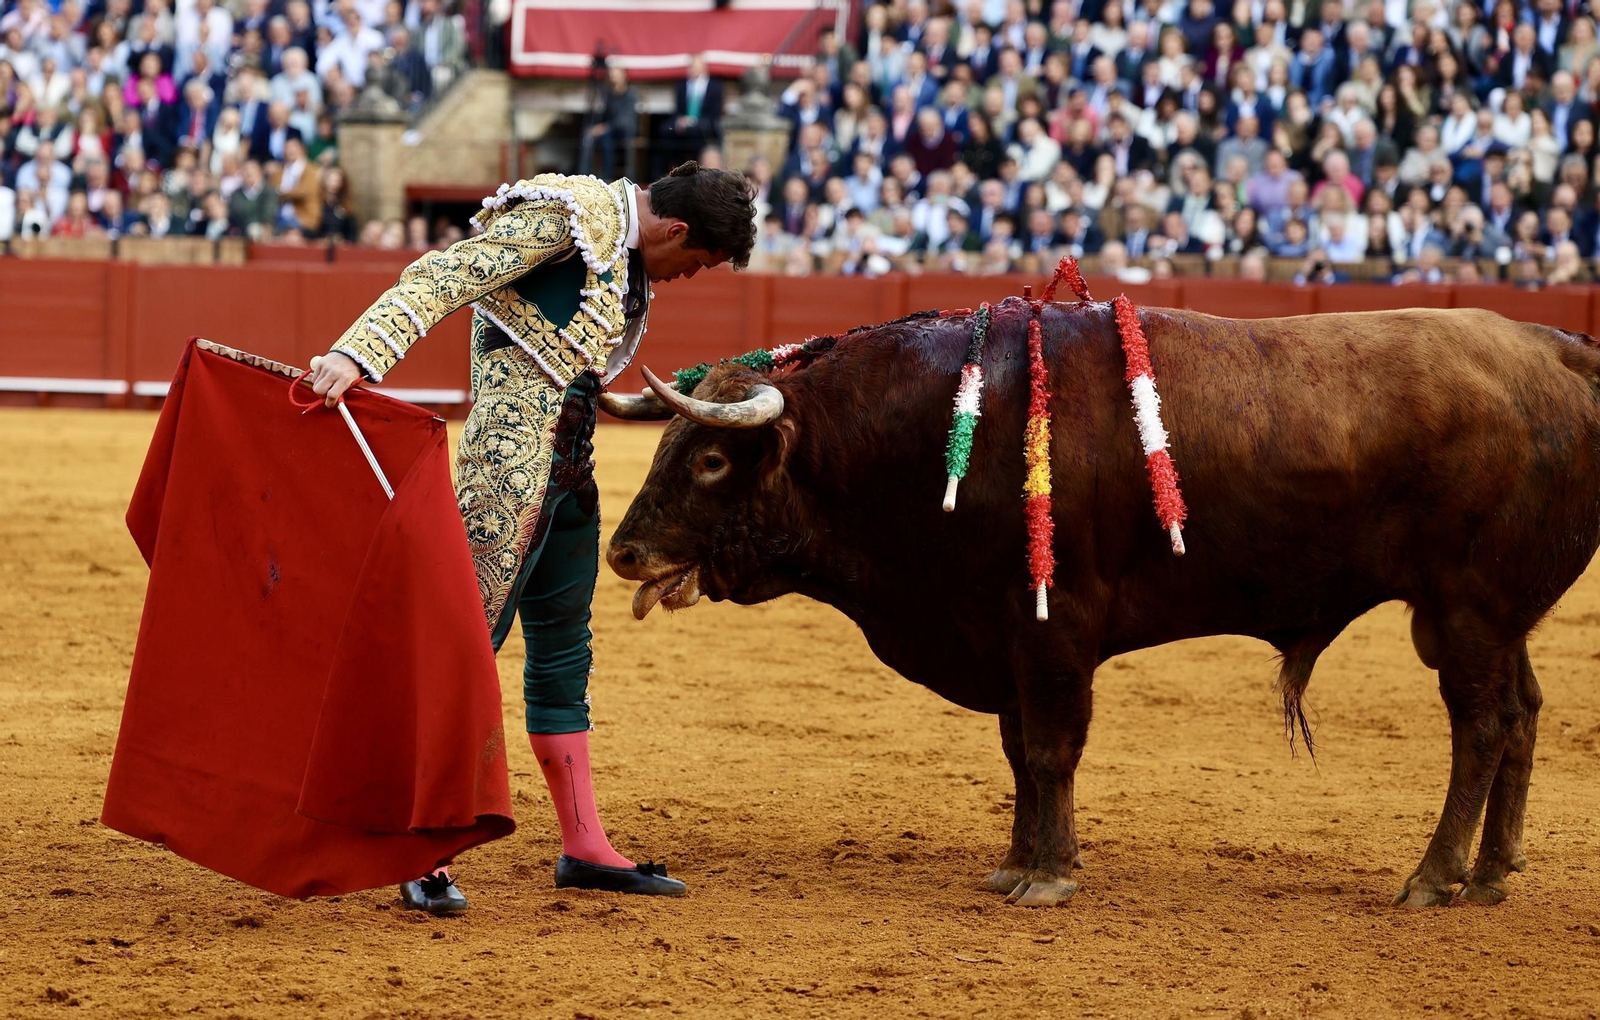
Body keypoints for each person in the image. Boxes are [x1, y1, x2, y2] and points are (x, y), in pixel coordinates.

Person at [302, 162, 756, 913]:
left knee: (564, 647)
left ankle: (583, 845)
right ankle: (424, 846)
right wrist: (361, 351)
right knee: (465, 646)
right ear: (675, 230)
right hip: (506, 474)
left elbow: (561, 350)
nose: (687, 275)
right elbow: (452, 271)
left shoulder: (622, 249)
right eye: (697, 261)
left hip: (569, 469)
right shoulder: (569, 215)